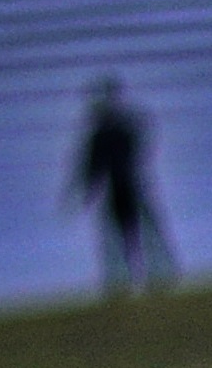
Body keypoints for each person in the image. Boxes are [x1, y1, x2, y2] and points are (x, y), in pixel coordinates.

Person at [67, 77, 176, 297]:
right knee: (141, 234)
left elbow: (91, 169)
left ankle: (125, 283)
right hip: (132, 186)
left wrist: (82, 194)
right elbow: (136, 151)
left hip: (121, 188)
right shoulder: (125, 126)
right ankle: (155, 278)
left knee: (120, 238)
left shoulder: (103, 134)